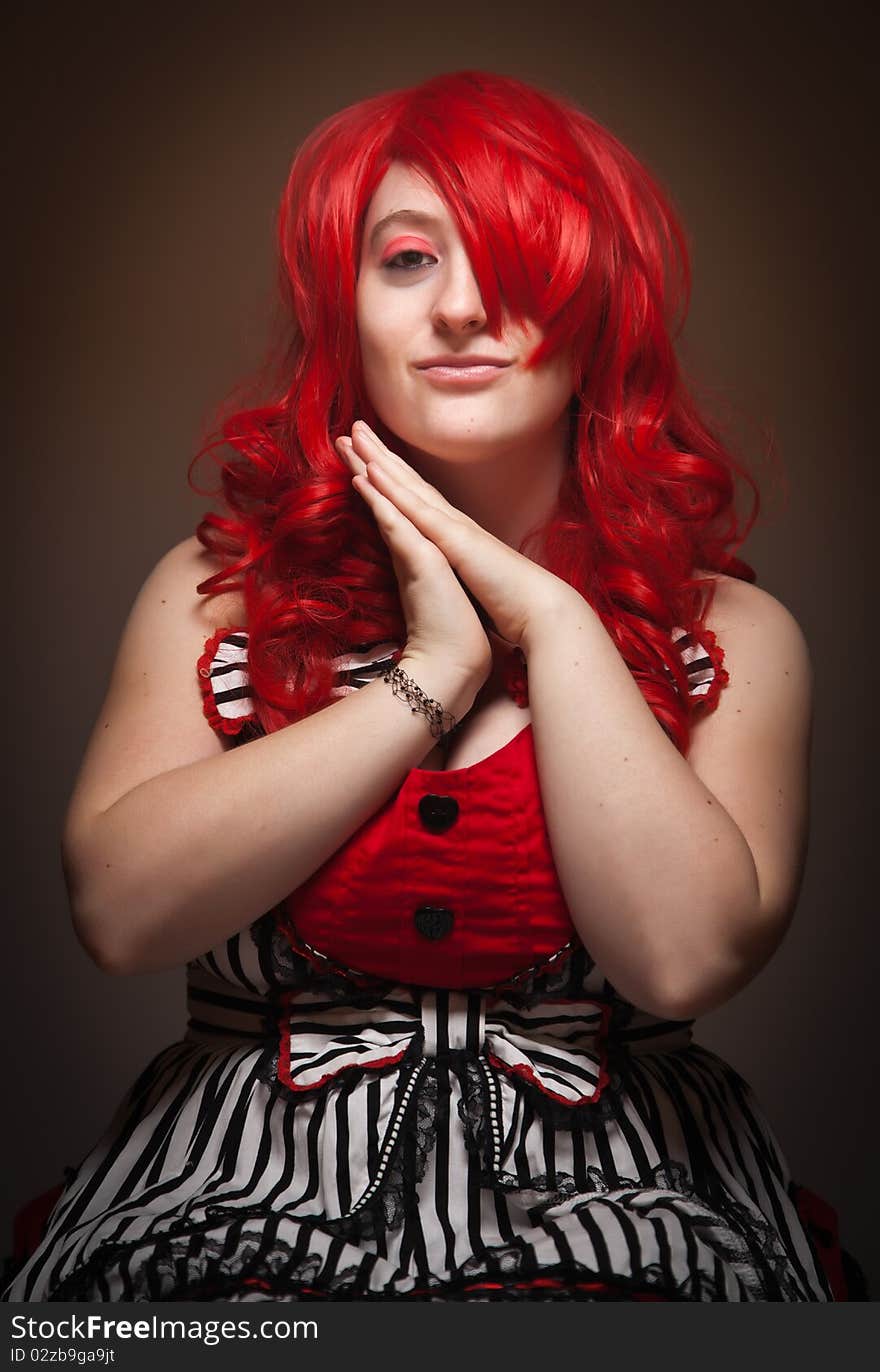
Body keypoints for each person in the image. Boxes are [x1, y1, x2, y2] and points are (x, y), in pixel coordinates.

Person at [2, 69, 845, 1302]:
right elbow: (122, 916)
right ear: (342, 308)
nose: (459, 308)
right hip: (230, 1205)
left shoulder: (736, 637)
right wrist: (432, 674)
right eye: (405, 260)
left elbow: (680, 958)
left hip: (625, 1204)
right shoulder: (216, 598)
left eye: (519, 259)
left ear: (600, 309)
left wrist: (549, 619)